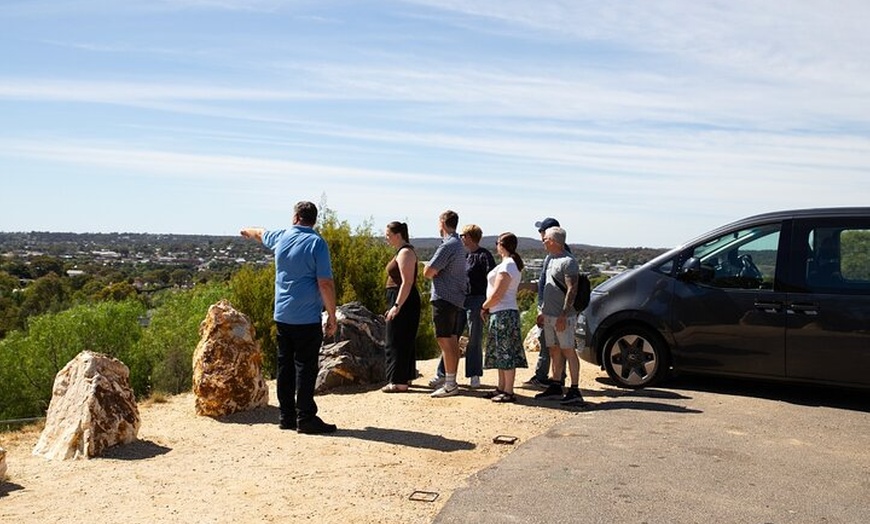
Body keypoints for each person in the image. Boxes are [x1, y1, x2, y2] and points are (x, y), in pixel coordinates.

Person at [240, 201, 338, 434]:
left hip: (283, 315)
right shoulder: (316, 243)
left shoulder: (282, 237)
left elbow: (260, 232)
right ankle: (305, 418)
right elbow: (325, 283)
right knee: (305, 366)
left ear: (295, 217)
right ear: (313, 220)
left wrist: (246, 230)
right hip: (306, 317)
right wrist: (332, 315)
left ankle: (286, 417)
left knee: (285, 366)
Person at [430, 224, 496, 389]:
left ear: (469, 237)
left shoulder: (483, 256)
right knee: (451, 337)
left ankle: (474, 374)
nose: (461, 238)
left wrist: (487, 304)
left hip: (477, 299)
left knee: (474, 337)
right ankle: (443, 373)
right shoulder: (462, 255)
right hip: (459, 299)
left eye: (464, 235)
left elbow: (492, 279)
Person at [534, 226, 585, 405]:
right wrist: (542, 311)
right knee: (554, 350)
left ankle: (575, 389)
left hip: (563, 317)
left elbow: (572, 289)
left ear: (554, 241)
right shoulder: (550, 259)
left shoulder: (568, 261)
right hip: (549, 315)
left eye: (546, 239)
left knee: (568, 350)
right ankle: (556, 385)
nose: (543, 241)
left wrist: (564, 314)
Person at [423, 210, 468, 398]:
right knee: (451, 340)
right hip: (456, 299)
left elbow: (427, 271)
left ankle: (450, 383)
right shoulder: (459, 245)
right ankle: (451, 381)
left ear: (442, 222)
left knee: (445, 339)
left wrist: (435, 271)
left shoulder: (448, 245)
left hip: (444, 298)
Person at [481, 233, 528, 403]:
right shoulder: (508, 264)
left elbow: (498, 294)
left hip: (503, 313)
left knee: (506, 352)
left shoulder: (508, 265)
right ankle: (501, 387)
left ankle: (508, 390)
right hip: (499, 312)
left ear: (502, 245)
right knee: (500, 352)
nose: (496, 246)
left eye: (497, 243)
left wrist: (484, 306)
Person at [523, 217, 567, 389]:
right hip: (551, 308)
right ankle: (553, 377)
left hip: (554, 310)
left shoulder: (559, 256)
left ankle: (549, 378)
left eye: (542, 231)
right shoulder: (555, 254)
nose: (540, 235)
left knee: (554, 345)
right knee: (551, 344)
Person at [382, 221, 421, 393]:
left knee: (396, 339)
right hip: (400, 298)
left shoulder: (405, 252)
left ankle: (398, 381)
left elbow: (407, 282)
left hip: (404, 300)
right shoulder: (401, 252)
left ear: (398, 235)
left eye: (388, 235)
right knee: (401, 337)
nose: (386, 238)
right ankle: (404, 377)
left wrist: (397, 305)